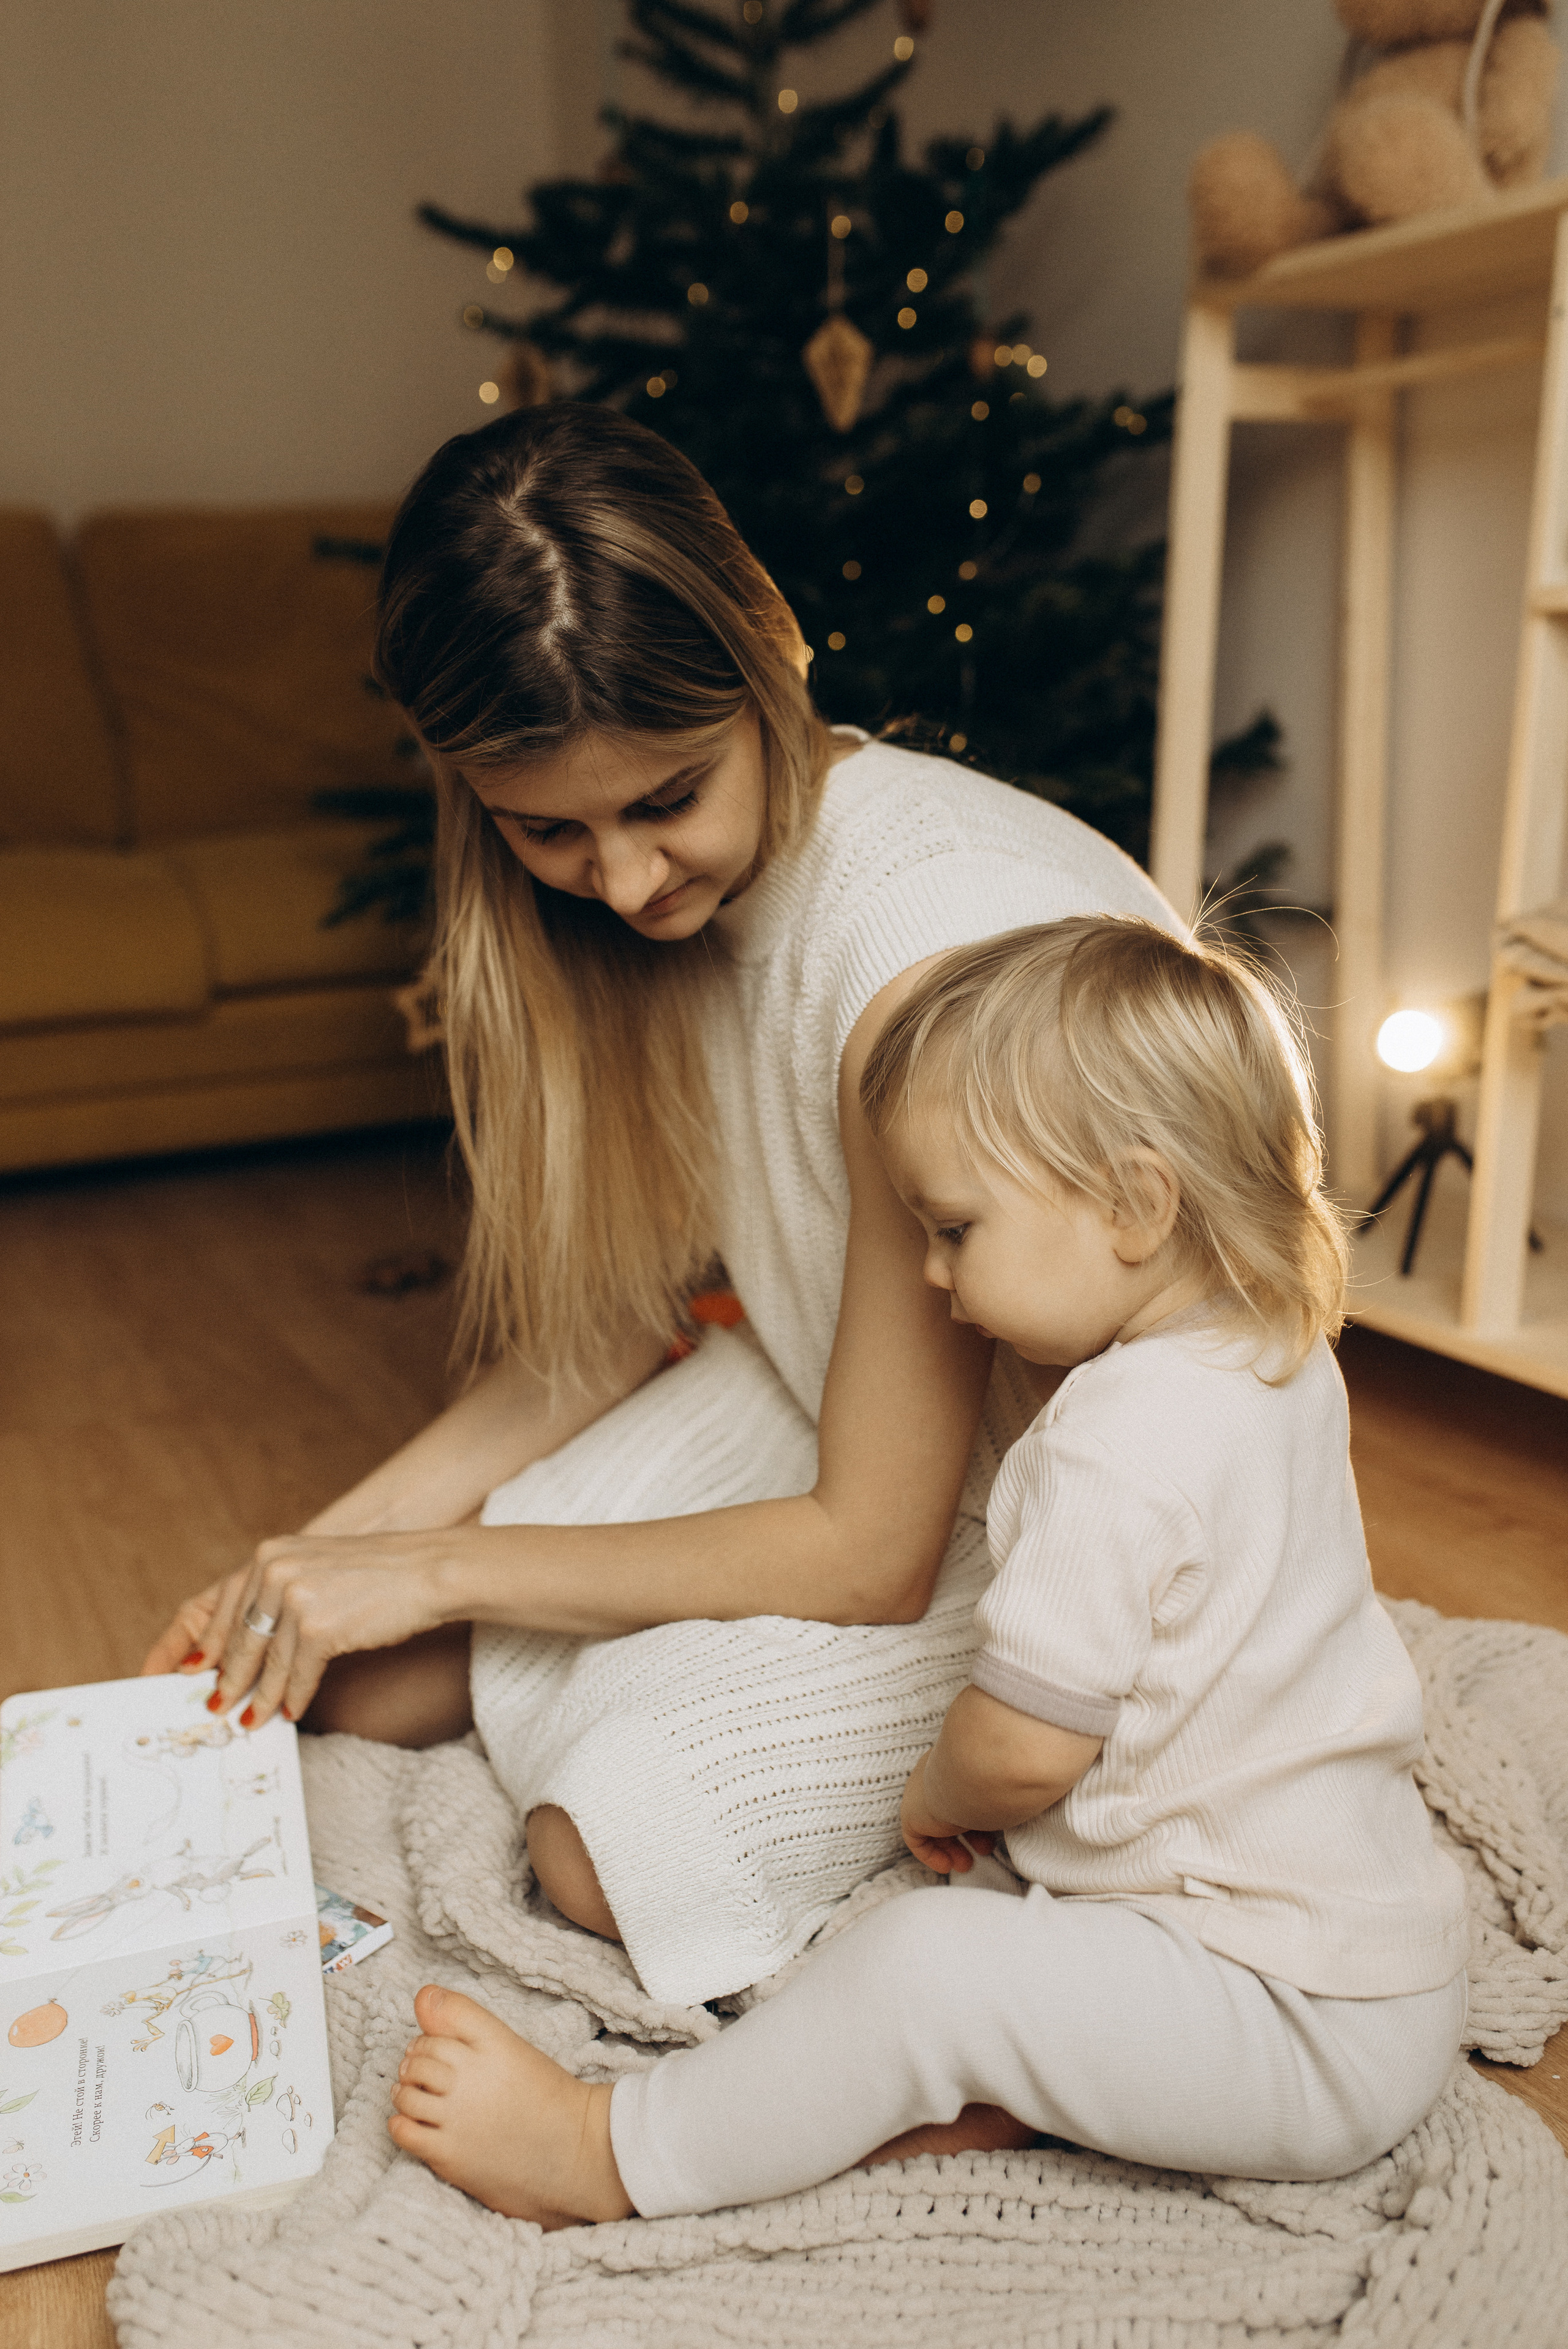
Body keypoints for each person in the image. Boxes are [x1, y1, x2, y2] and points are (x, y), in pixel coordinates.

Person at [142, 401, 1175, 2016]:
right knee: (355, 1672)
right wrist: (318, 1558)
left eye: (666, 800)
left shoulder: (927, 959)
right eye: (551, 830)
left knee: (597, 1850)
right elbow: (620, 1323)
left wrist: (440, 1565)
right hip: (849, 1401)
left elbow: (872, 1550)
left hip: (1065, 1508)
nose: (625, 885)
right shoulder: (666, 912)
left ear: (768, 661)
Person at [381, 917, 1469, 2226]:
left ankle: (606, 2151)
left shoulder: (1109, 1445)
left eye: (952, 1228)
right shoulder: (1274, 1355)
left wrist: (934, 1791)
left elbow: (1018, 1752)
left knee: (918, 1963)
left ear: (1134, 1206)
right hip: (1374, 1962)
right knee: (987, 1959)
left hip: (1284, 2022)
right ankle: (1024, 2091)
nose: (932, 1274)